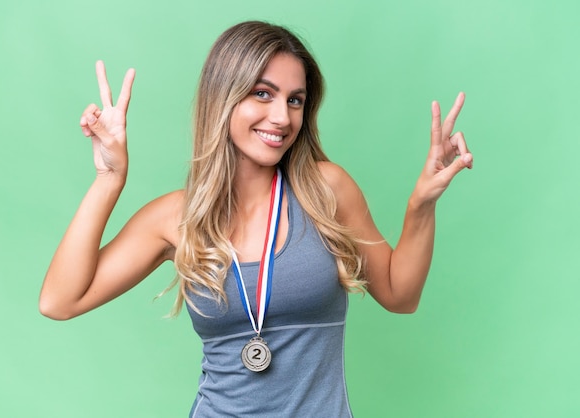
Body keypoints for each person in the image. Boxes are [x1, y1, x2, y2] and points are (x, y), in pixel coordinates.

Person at [39, 20, 472, 417]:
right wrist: (109, 179)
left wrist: (422, 203)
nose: (282, 117)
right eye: (262, 94)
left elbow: (400, 295)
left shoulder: (325, 189)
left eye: (295, 100)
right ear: (223, 96)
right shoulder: (176, 217)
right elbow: (59, 302)